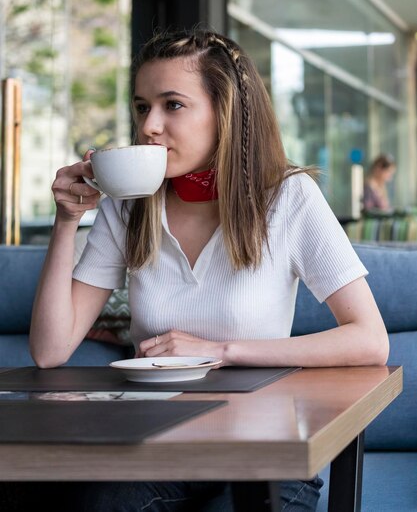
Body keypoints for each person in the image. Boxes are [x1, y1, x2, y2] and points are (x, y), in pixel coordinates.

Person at [5, 28, 389, 512]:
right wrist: (66, 221)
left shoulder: (288, 198)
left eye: (173, 105)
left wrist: (220, 352)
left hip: (264, 448)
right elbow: (49, 351)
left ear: (224, 114)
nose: (150, 125)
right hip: (153, 446)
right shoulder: (129, 207)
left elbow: (370, 339)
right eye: (143, 107)